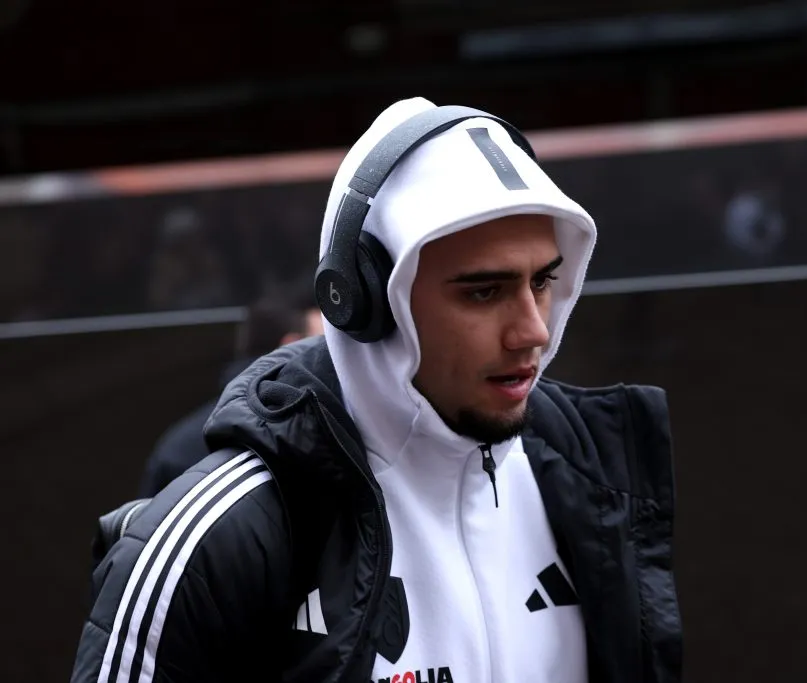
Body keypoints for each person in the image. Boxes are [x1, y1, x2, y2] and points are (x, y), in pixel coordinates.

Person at [71, 98, 682, 683]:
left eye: (544, 282)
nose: (534, 330)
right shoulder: (215, 539)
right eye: (483, 291)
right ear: (363, 300)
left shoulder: (592, 476)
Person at [137, 293, 324, 497]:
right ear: (292, 345)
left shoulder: (179, 445)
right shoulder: (312, 433)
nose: (331, 359)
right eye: (321, 345)